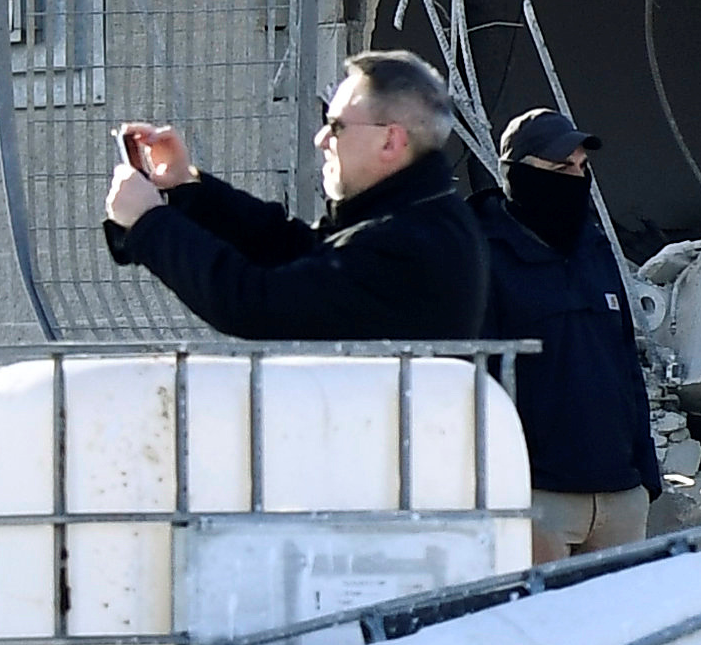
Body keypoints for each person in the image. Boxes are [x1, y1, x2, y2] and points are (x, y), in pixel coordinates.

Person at [104, 50, 493, 344]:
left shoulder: (412, 241)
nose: (321, 139)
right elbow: (295, 248)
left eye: (336, 126)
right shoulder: (412, 217)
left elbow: (256, 303)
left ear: (390, 139)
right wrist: (187, 188)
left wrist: (151, 224)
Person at [489, 106, 666, 563]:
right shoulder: (484, 255)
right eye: (559, 168)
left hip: (619, 494)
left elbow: (624, 358)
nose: (574, 178)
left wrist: (645, 476)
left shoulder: (594, 247)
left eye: (581, 168)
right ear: (518, 173)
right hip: (538, 496)